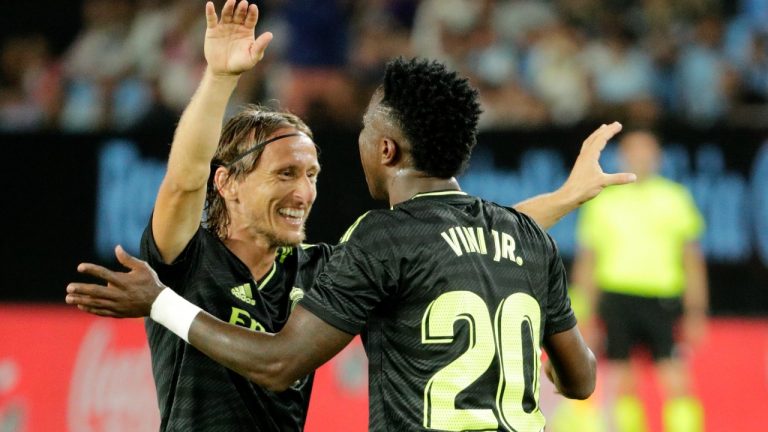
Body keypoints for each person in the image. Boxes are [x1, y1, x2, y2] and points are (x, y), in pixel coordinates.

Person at [67, 34, 635, 429]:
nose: (305, 191)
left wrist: (562, 199)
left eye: (312, 174)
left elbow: (441, 239)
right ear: (228, 183)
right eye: (286, 174)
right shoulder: (186, 259)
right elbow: (184, 179)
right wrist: (219, 78)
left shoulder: (323, 265)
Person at [570, 129, 708, 432]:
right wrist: (581, 313)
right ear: (622, 156)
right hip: (616, 298)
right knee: (622, 380)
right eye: (633, 150)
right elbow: (588, 262)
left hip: (661, 299)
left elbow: (692, 260)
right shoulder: (603, 200)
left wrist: (696, 309)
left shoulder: (675, 198)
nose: (640, 157)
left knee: (675, 378)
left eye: (647, 151)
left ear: (659, 157)